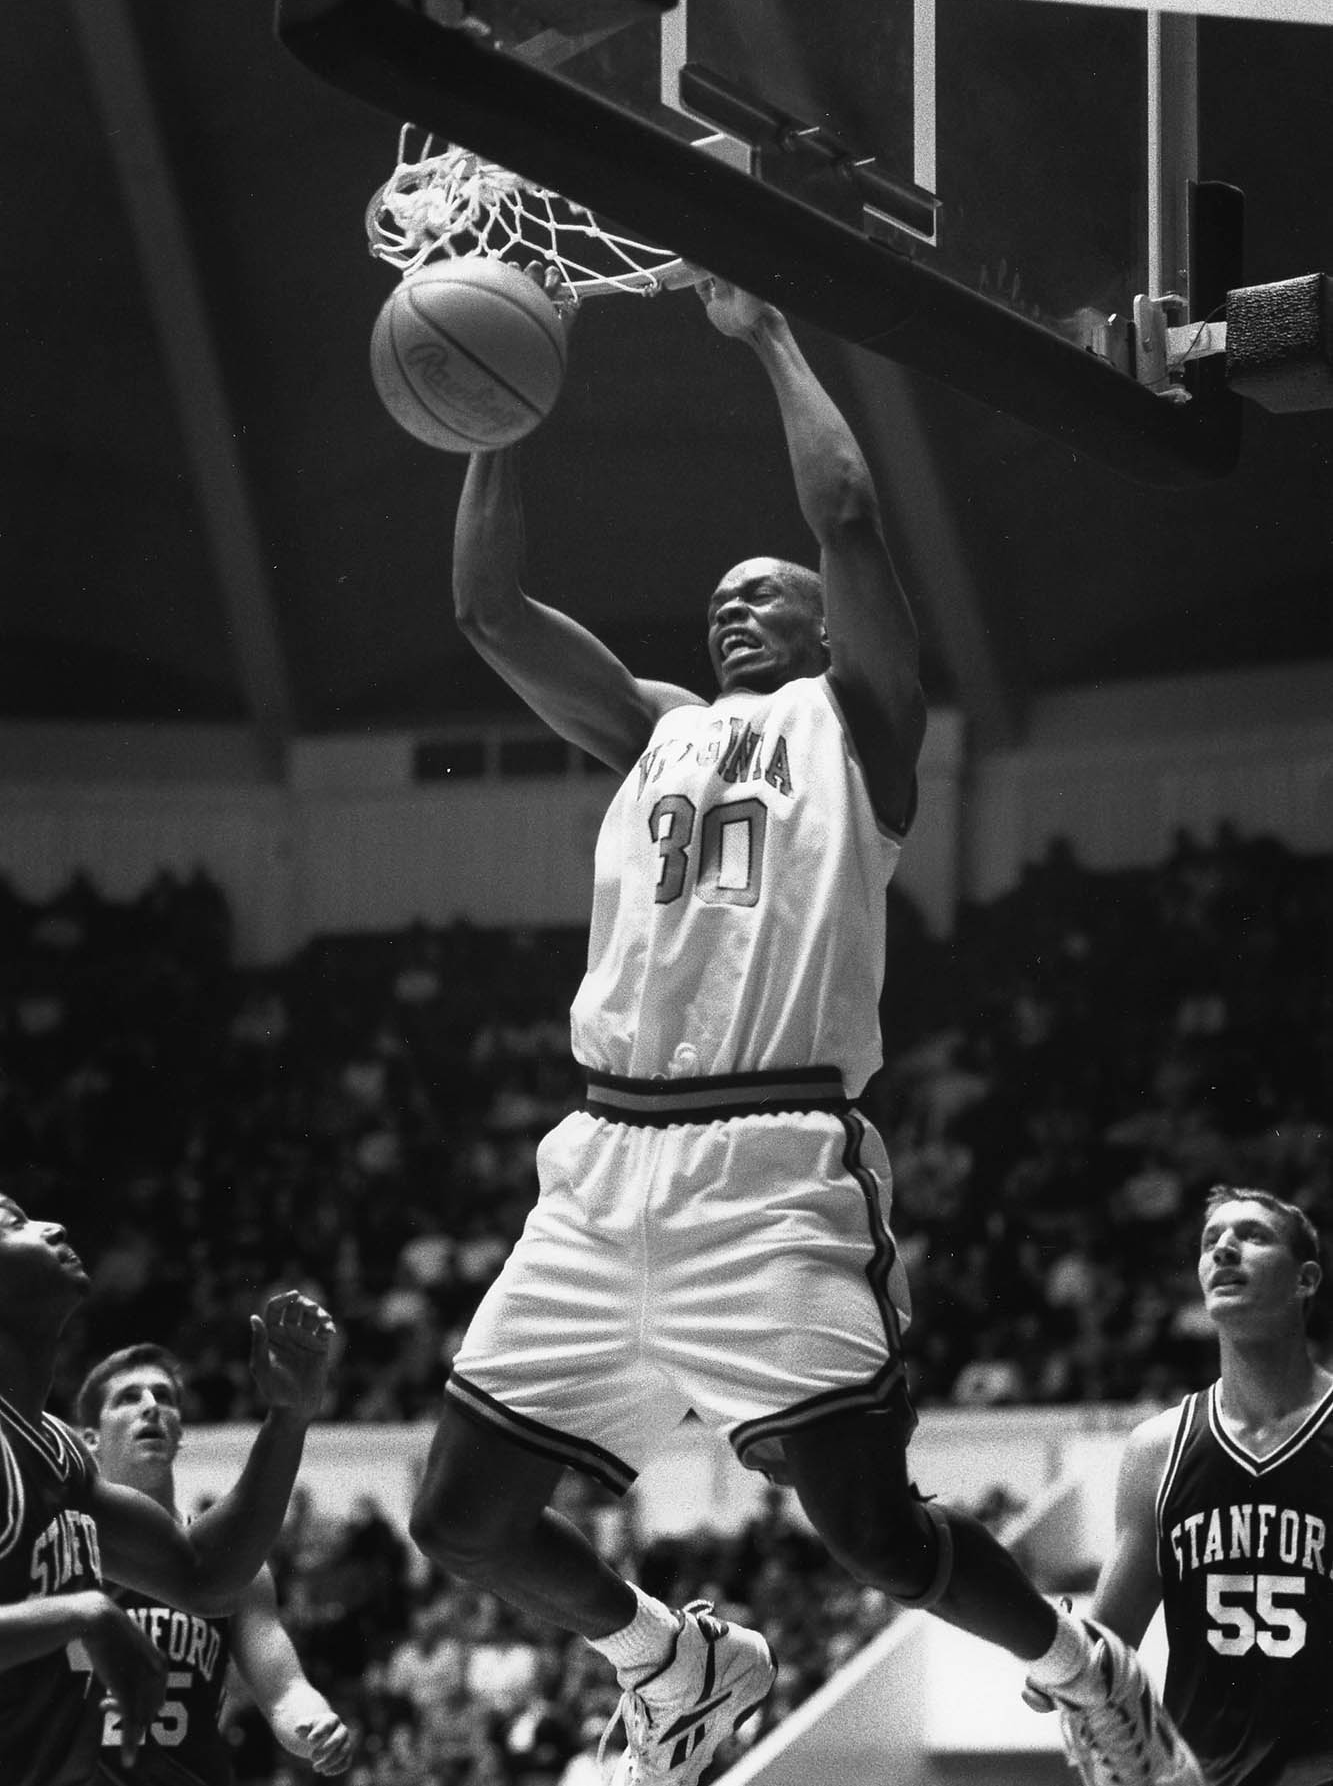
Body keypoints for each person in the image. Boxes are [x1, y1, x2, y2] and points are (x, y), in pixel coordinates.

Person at [409, 276, 1206, 1786]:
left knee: (866, 1527)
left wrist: (773, 330)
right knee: (457, 1518)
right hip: (599, 1165)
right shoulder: (653, 728)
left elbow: (846, 514)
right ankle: (672, 1660)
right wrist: (500, 416)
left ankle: (1075, 1663)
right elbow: (485, 610)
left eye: (763, 590)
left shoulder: (860, 728)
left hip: (773, 1162)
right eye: (717, 595)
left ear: (824, 621)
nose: (733, 600)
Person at [0, 1193, 335, 1786]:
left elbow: (204, 1577)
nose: (55, 1225)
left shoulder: (57, 1452)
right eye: (14, 1224)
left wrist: (288, 1420)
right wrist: (88, 1613)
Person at [1029, 1185, 1333, 1786]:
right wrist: (1054, 1661)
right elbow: (1111, 1641)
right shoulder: (1157, 1449)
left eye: (1252, 1235)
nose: (1224, 1248)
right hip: (1200, 1775)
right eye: (1210, 1240)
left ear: (1305, 1280)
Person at [73, 1341, 354, 1782]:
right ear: (89, 1439)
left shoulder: (233, 1564)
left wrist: (314, 1723)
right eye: (129, 1397)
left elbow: (283, 1691)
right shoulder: (53, 1551)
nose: (151, 1407)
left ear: (179, 1432)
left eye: (164, 1397)